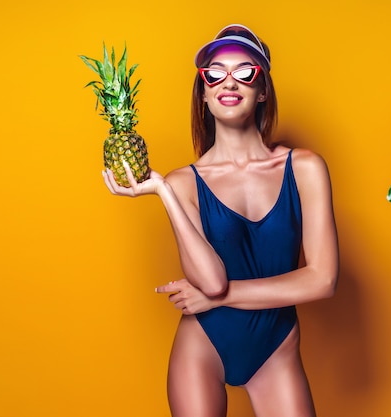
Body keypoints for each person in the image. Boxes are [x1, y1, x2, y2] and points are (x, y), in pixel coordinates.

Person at [103, 23, 339, 417]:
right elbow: (210, 280)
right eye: (214, 74)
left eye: (244, 71)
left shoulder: (304, 168)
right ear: (205, 95)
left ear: (262, 90)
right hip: (204, 347)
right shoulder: (183, 183)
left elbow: (323, 280)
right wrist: (163, 190)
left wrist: (224, 296)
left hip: (275, 346)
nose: (228, 82)